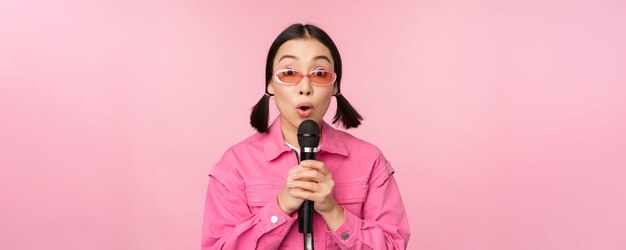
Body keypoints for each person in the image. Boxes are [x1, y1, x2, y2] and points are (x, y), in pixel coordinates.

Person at [201, 23, 410, 249]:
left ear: (335, 85)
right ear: (270, 83)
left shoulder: (369, 160)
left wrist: (333, 211)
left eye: (319, 73)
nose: (305, 87)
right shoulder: (235, 165)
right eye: (289, 73)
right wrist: (280, 207)